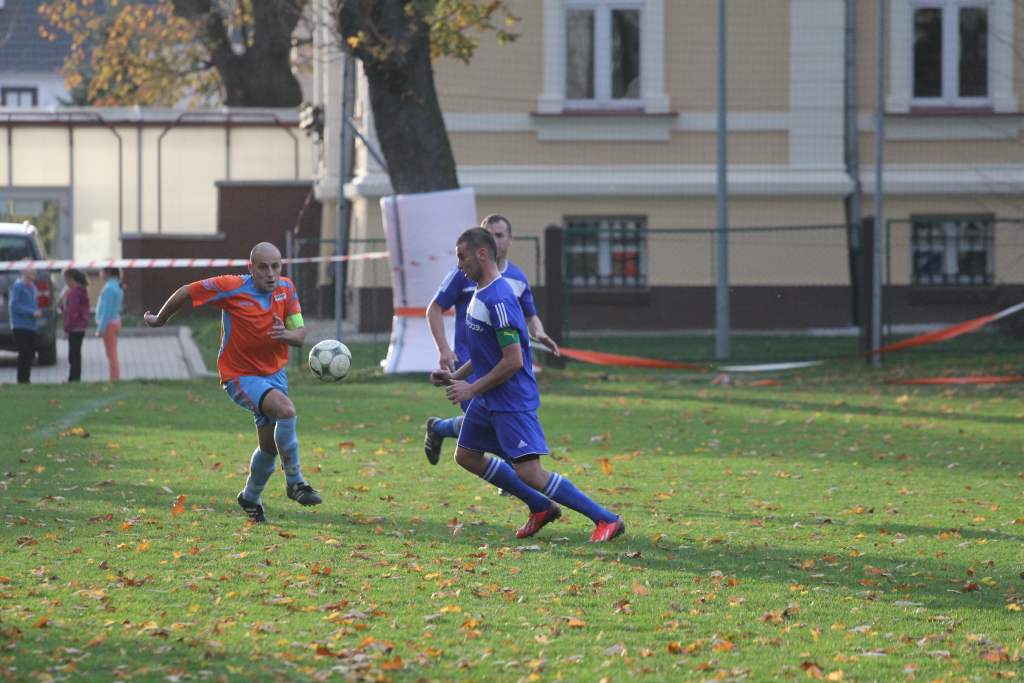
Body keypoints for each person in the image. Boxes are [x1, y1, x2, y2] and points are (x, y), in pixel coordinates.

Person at [430, 227, 625, 542]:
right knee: (466, 455)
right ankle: (540, 506)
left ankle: (606, 519)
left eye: (462, 258)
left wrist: (470, 388)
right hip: (487, 399)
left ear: (482, 254)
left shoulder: (500, 298)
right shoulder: (480, 292)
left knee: (530, 472)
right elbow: (485, 353)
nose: (459, 266)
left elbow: (513, 360)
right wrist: (455, 376)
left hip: (509, 399)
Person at [143, 242, 321, 523]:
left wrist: (284, 335)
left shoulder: (286, 288)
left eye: (276, 266)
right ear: (251, 268)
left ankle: (250, 497)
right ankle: (296, 482)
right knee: (286, 411)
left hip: (274, 375)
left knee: (269, 446)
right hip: (239, 376)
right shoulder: (231, 286)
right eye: (263, 267)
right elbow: (186, 292)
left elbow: (299, 334)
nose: (271, 273)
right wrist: (159, 320)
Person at [424, 214, 560, 465]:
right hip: (471, 362)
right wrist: (444, 349)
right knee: (493, 427)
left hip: (501, 362)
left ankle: (440, 429)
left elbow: (530, 315)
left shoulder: (516, 279)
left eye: (500, 235)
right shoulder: (464, 273)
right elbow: (434, 309)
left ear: (510, 240)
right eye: (490, 235)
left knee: (489, 424)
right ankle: (525, 482)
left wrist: (538, 331)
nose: (495, 241)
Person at [9, 263, 43, 384]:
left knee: (30, 353)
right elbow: (14, 306)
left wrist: (38, 312)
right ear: (23, 272)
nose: (33, 273)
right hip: (20, 325)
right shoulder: (18, 286)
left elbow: (34, 304)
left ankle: (26, 378)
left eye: (34, 271)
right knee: (24, 351)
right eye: (30, 271)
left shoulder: (33, 287)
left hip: (31, 325)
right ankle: (21, 379)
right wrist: (32, 312)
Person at [59, 268, 90, 382]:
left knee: (73, 354)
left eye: (65, 280)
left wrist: (67, 329)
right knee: (76, 353)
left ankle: (74, 378)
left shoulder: (74, 293)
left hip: (74, 327)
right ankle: (75, 377)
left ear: (70, 279)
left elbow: (71, 312)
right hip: (81, 327)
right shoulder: (82, 291)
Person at [95, 267, 124, 381]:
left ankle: (114, 378)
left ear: (108, 273)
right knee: (112, 352)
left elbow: (106, 311)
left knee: (111, 353)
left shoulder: (109, 289)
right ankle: (114, 377)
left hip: (109, 325)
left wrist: (100, 329)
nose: (100, 274)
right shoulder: (117, 287)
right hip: (115, 322)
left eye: (102, 271)